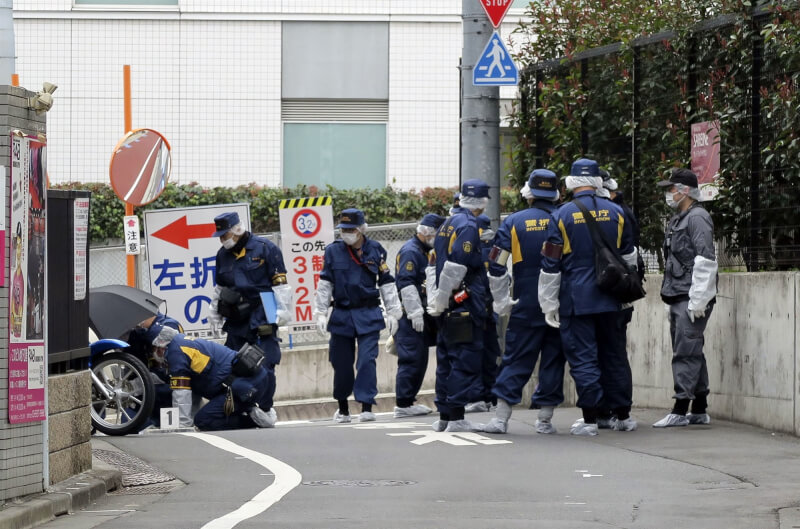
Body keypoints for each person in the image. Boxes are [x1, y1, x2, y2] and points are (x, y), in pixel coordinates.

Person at [538, 158, 638, 436]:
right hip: (612, 297)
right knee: (615, 355)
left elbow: (551, 265)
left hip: (576, 299)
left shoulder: (561, 215)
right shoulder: (617, 212)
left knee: (584, 358)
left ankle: (591, 419)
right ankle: (623, 416)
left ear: (570, 182)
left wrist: (548, 304)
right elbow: (629, 257)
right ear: (598, 182)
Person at [484, 169, 566, 434]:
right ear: (556, 193)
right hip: (561, 302)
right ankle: (544, 420)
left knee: (517, 358)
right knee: (553, 358)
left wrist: (502, 300)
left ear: (529, 193)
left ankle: (500, 419)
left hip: (525, 302)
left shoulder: (514, 222)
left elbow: (496, 265)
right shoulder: (564, 217)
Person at [313, 208, 403, 423]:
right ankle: (343, 408)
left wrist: (393, 312)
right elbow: (325, 284)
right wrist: (321, 312)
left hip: (368, 313)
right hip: (342, 314)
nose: (346, 233)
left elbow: (386, 283)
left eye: (351, 229)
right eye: (343, 229)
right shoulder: (333, 251)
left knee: (366, 361)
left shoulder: (376, 250)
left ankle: (366, 406)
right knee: (340, 362)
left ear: (362, 229)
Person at [207, 211, 292, 424]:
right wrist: (214, 313)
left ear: (237, 229)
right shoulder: (222, 255)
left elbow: (280, 285)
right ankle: (240, 408)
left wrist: (283, 312)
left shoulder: (266, 249)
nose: (222, 239)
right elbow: (220, 287)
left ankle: (265, 408)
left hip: (265, 308)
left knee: (267, 363)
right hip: (236, 314)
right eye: (220, 236)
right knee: (232, 364)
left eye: (225, 234)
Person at [131, 316, 277, 431]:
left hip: (244, 387)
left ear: (159, 345)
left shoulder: (176, 352)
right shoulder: (179, 344)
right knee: (204, 415)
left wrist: (182, 426)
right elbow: (158, 378)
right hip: (245, 382)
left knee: (204, 421)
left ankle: (251, 419)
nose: (153, 353)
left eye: (153, 348)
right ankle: (247, 410)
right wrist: (130, 388)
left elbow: (181, 392)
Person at [653, 168, 718, 427]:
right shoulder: (679, 218)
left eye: (671, 189)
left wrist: (699, 299)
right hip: (679, 293)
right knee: (692, 348)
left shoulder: (698, 217)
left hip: (691, 295)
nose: (668, 194)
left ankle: (680, 409)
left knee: (685, 351)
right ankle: (699, 407)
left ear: (684, 191)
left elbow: (705, 258)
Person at [426, 179, 492, 433]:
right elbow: (457, 267)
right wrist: (443, 298)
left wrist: (439, 301)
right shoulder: (468, 225)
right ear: (483, 202)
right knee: (465, 359)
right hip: (463, 302)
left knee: (447, 360)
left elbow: (436, 265)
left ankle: (445, 415)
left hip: (449, 305)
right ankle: (455, 417)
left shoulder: (448, 223)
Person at [393, 213, 445, 418]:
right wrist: (415, 313)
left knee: (419, 358)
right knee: (411, 358)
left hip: (421, 314)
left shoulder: (424, 251)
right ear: (426, 233)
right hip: (410, 316)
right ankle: (403, 404)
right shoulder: (411, 251)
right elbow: (406, 284)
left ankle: (408, 402)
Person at [464, 214, 501, 413]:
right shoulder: (495, 248)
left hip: (474, 309)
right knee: (490, 355)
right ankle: (490, 397)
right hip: (491, 309)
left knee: (474, 354)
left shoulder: (471, 248)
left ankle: (477, 396)